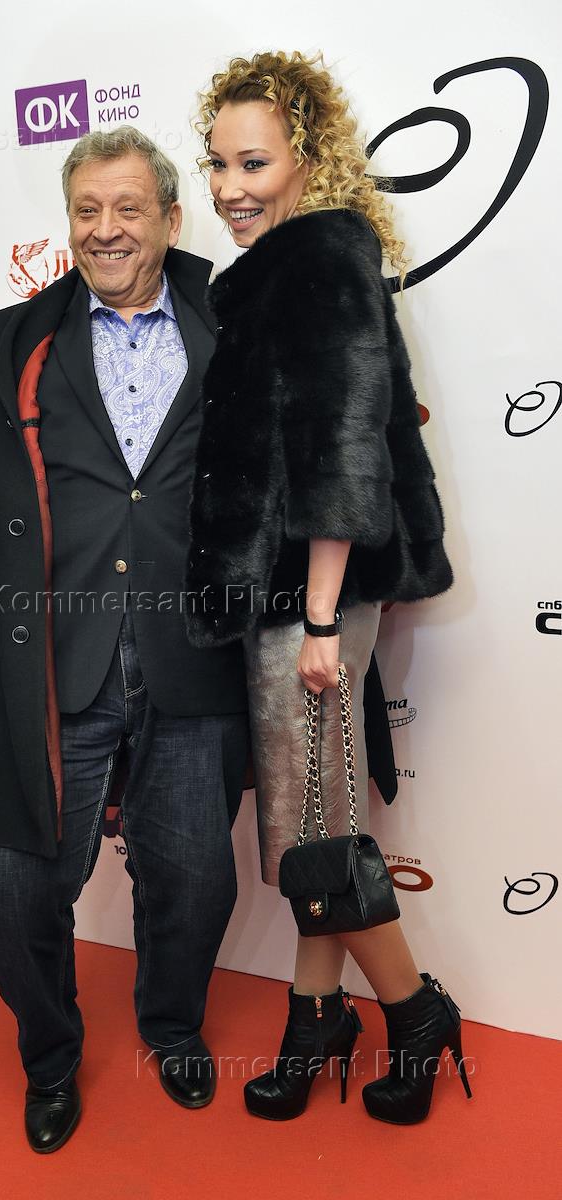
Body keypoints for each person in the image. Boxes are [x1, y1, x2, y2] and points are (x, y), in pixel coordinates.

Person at [0, 126, 251, 1153]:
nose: (105, 229)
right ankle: (49, 1052)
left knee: (193, 878)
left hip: (194, 651)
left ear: (171, 219)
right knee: (3, 882)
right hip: (46, 656)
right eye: (87, 210)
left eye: (128, 208)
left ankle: (171, 1025)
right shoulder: (12, 338)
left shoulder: (235, 318)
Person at [185, 52, 471, 1125]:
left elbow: (339, 455)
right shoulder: (285, 264)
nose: (229, 187)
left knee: (312, 837)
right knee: (315, 820)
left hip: (306, 597)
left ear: (308, 159)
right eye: (217, 164)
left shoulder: (315, 258)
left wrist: (315, 619)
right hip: (292, 597)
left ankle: (414, 1010)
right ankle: (315, 1019)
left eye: (253, 163)